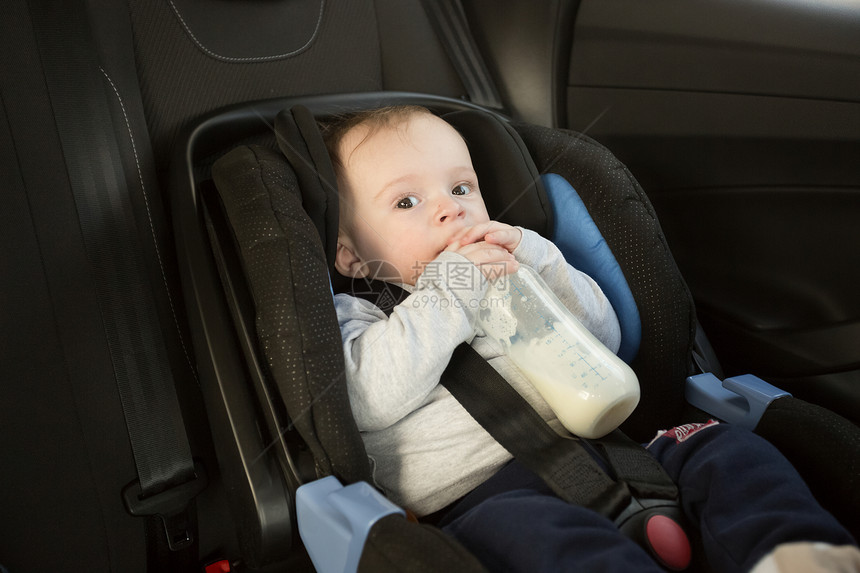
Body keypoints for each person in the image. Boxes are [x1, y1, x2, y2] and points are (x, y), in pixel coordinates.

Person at [323, 105, 858, 572]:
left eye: (461, 188)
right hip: (487, 502)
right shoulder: (360, 314)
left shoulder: (515, 269)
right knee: (544, 545)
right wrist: (451, 291)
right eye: (406, 203)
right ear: (350, 252)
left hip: (621, 452)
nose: (450, 208)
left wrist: (536, 260)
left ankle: (797, 558)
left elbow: (604, 338)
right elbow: (369, 399)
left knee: (729, 453)